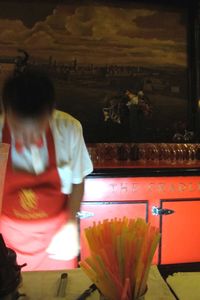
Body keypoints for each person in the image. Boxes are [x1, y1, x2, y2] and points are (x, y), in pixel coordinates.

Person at [0, 69, 93, 271]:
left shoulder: (69, 129)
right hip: (6, 242)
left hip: (56, 243)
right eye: (19, 129)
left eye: (36, 129)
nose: (28, 138)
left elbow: (78, 182)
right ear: (6, 112)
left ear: (50, 113)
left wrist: (70, 224)